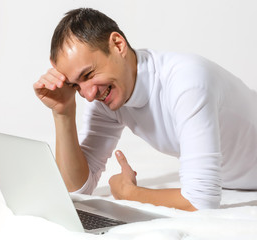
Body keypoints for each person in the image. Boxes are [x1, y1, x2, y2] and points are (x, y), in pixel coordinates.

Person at [33, 8, 257, 211]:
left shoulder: (187, 82)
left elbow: (201, 201)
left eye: (88, 75)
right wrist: (63, 113)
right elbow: (76, 190)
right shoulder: (106, 97)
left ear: (118, 45)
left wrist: (131, 194)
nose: (88, 95)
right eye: (75, 86)